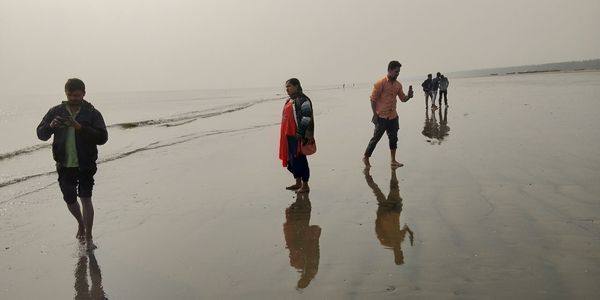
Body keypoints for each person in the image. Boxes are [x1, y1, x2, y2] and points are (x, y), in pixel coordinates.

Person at [36, 78, 108, 247]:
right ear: (66, 93)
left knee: (86, 198)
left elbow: (103, 138)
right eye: (71, 95)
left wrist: (79, 127)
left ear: (84, 93)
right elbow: (41, 134)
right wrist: (50, 127)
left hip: (86, 163)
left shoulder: (92, 113)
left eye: (77, 95)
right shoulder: (56, 111)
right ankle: (81, 223)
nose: (74, 98)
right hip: (64, 164)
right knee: (69, 198)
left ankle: (89, 237)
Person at [363, 60, 413, 168]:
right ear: (389, 70)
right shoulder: (380, 83)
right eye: (396, 71)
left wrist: (409, 96)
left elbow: (403, 99)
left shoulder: (398, 85)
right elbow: (373, 100)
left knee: (394, 138)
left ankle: (393, 160)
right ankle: (366, 157)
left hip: (393, 117)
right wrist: (375, 115)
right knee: (376, 138)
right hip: (381, 117)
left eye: (399, 72)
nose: (397, 74)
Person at [279, 78, 314, 193]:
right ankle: (298, 182)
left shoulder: (303, 100)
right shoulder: (290, 100)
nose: (287, 89)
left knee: (300, 160)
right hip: (288, 136)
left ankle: (305, 185)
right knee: (292, 160)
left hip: (298, 136)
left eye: (289, 86)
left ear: (297, 86)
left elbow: (307, 118)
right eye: (286, 87)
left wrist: (301, 133)